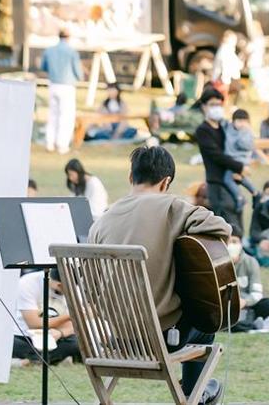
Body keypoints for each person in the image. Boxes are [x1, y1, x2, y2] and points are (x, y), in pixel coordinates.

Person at [90, 145, 230, 404]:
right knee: (205, 322)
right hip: (162, 339)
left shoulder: (102, 221)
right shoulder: (172, 207)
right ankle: (193, 395)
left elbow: (91, 287)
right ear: (166, 182)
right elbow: (222, 227)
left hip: (117, 339)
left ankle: (195, 392)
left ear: (131, 177)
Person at [194, 87, 246, 233]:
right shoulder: (203, 130)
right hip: (217, 183)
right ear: (204, 107)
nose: (216, 108)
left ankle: (240, 253)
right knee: (227, 226)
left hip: (233, 181)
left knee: (238, 220)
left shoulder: (225, 127)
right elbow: (216, 155)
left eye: (219, 104)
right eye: (212, 105)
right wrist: (239, 167)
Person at [11, 268, 80, 366]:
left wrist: (60, 333)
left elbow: (76, 324)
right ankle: (50, 358)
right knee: (12, 343)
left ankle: (31, 361)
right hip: (25, 335)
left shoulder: (74, 288)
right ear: (60, 285)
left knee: (76, 344)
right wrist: (70, 316)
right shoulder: (27, 283)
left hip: (55, 336)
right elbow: (34, 324)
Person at [41, 29, 83, 154]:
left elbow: (44, 67)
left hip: (53, 84)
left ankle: (50, 142)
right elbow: (78, 72)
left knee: (53, 114)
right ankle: (62, 144)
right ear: (68, 37)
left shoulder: (49, 50)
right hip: (67, 86)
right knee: (66, 115)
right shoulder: (72, 52)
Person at [227, 230, 269, 333]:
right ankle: (247, 323)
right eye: (227, 241)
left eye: (234, 241)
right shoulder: (216, 263)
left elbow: (257, 293)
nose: (230, 245)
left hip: (246, 305)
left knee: (268, 304)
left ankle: (244, 322)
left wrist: (244, 302)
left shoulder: (251, 262)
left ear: (241, 243)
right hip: (225, 306)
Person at [220, 109, 260, 213]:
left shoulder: (247, 132)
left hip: (241, 160)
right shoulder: (229, 128)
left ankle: (240, 198)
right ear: (233, 121)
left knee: (227, 179)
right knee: (240, 178)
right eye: (239, 121)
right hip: (231, 159)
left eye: (244, 121)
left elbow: (246, 145)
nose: (242, 124)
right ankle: (255, 192)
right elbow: (222, 123)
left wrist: (242, 133)